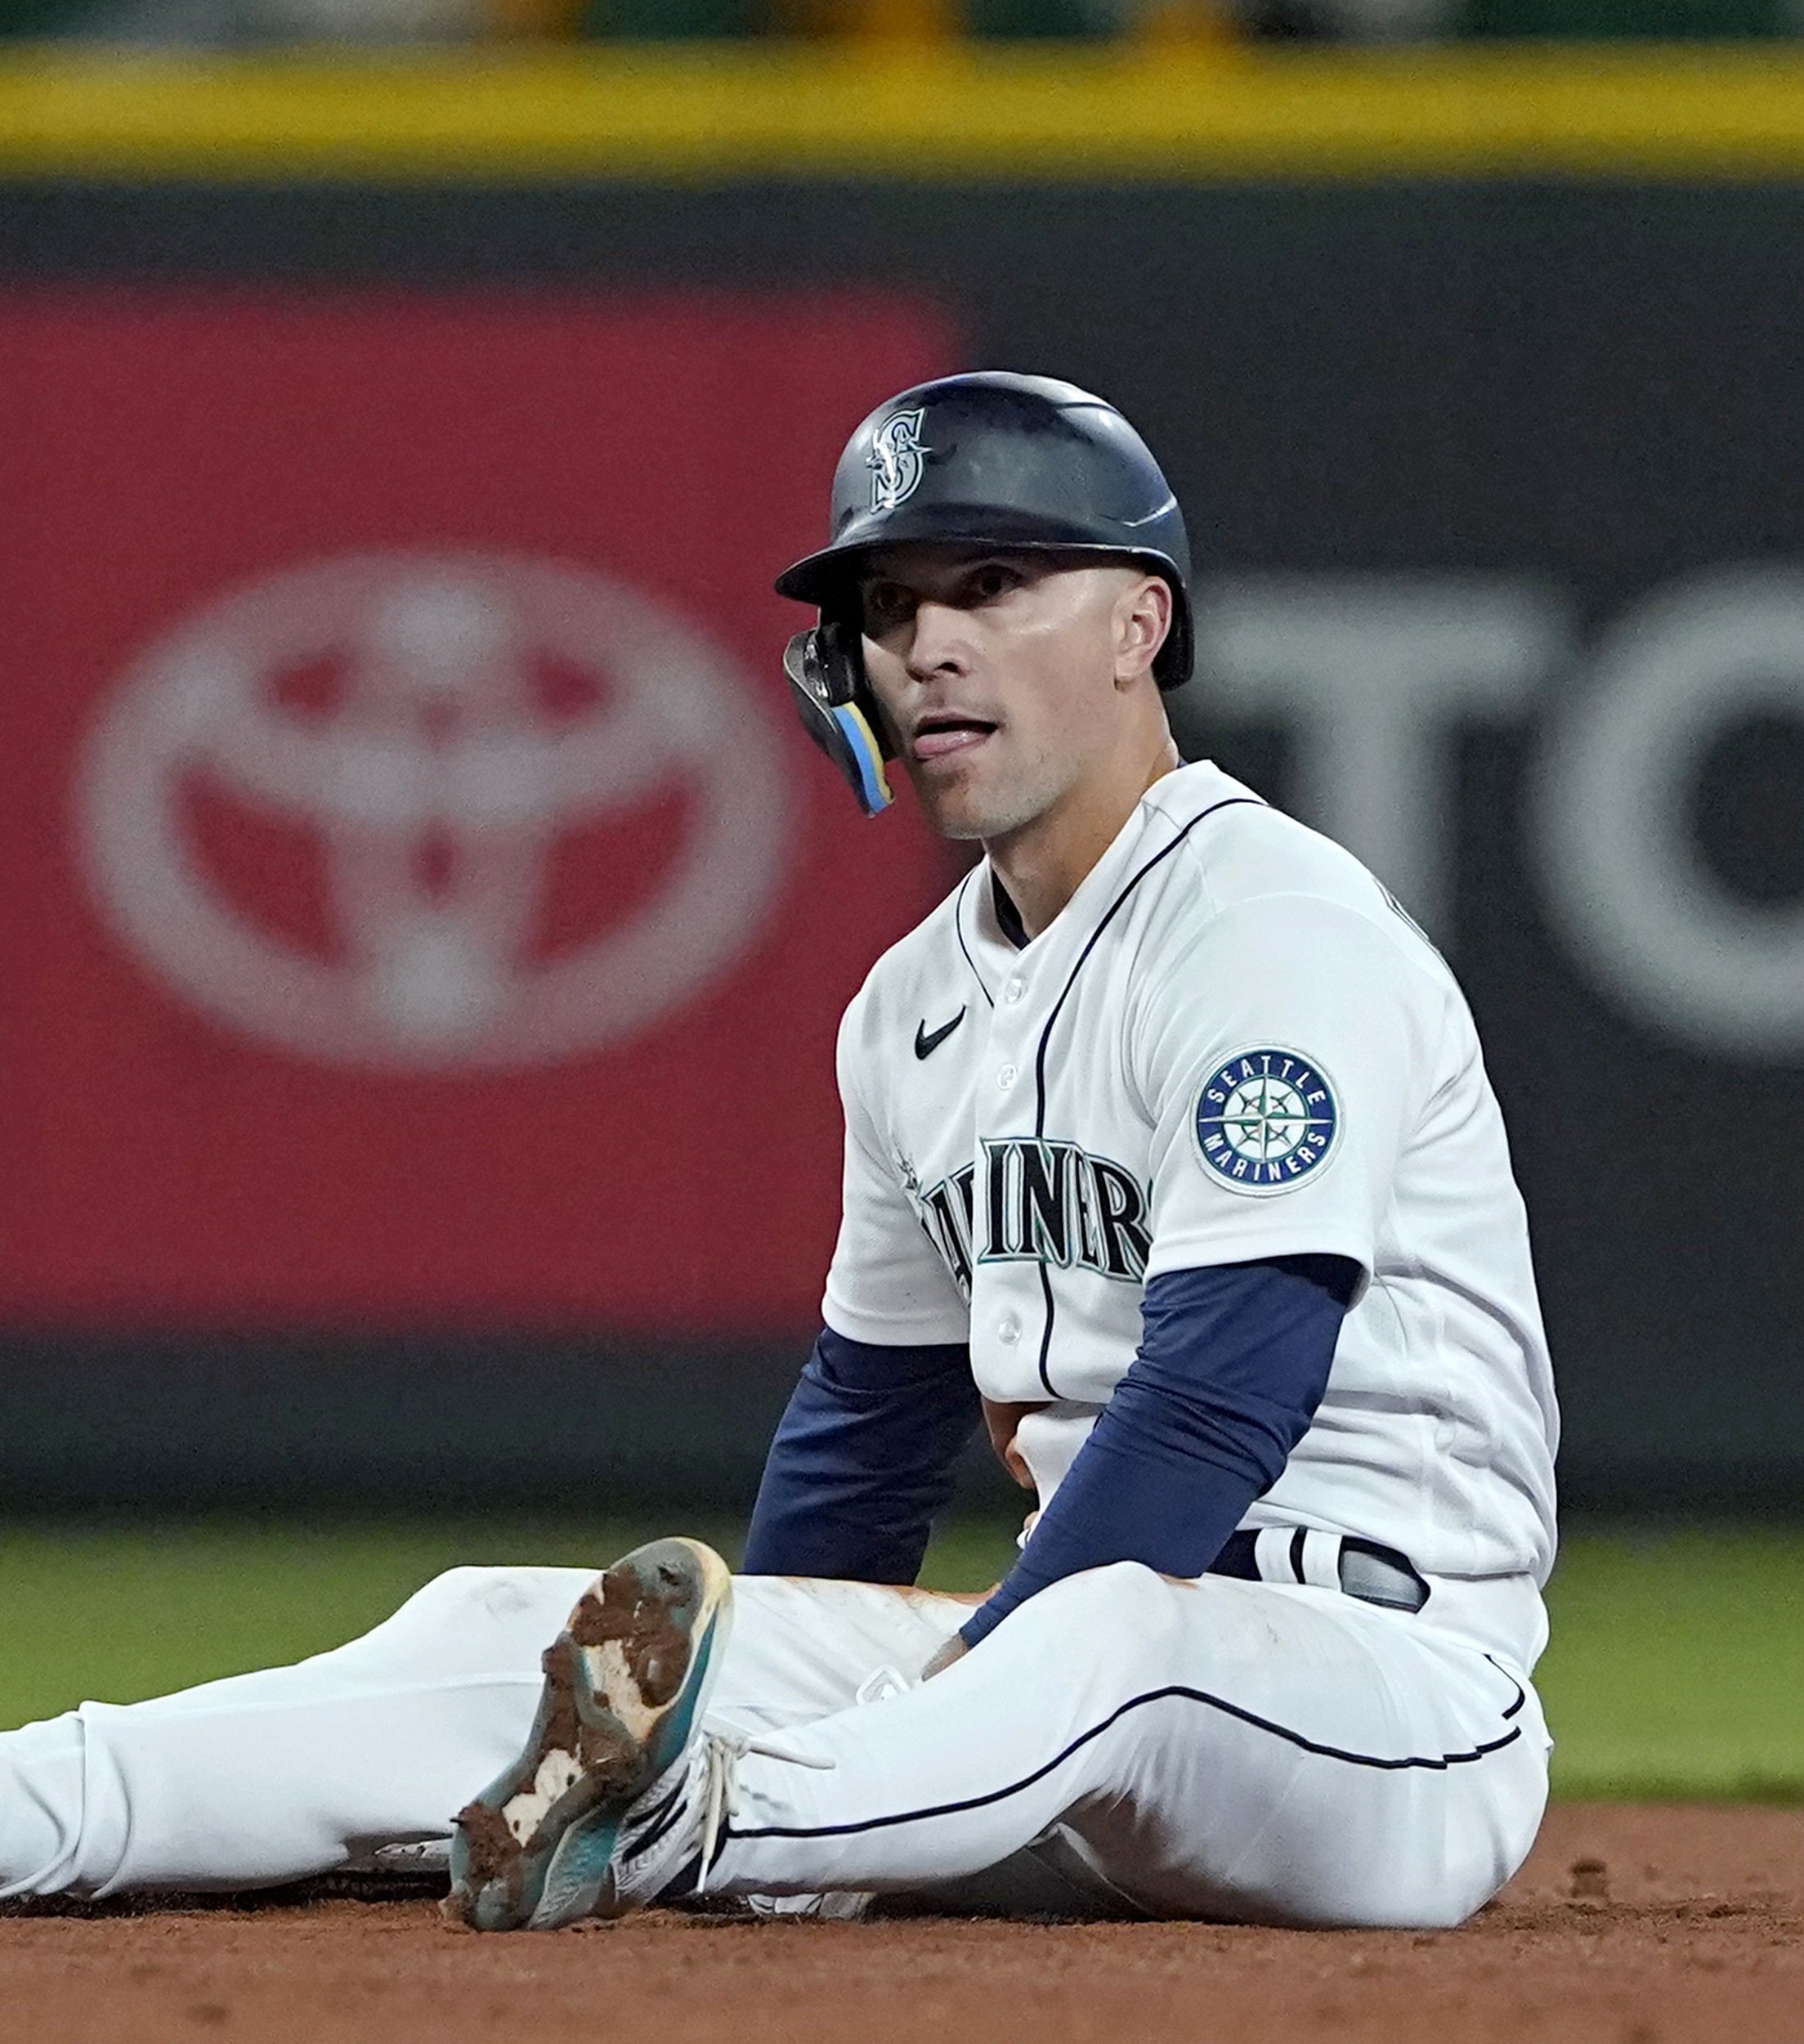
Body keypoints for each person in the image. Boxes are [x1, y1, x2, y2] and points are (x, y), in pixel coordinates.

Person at [0, 372, 1558, 1933]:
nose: (927, 645)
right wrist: (797, 1662)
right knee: (494, 1626)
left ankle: (696, 1821)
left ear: (1138, 625)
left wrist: (922, 1708)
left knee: (1114, 1642)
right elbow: (867, 1429)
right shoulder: (911, 1011)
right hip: (1033, 1715)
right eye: (888, 605)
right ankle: (45, 1804)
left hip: (1384, 1707)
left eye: (995, 585)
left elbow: (1219, 1400)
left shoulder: (1265, 929)